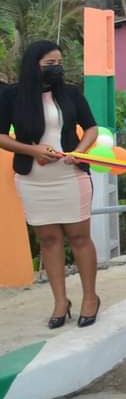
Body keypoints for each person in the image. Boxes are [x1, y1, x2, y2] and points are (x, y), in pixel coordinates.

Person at [0, 40, 101, 328]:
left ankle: (90, 297)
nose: (56, 68)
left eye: (59, 63)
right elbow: (2, 136)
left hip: (71, 176)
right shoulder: (11, 95)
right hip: (33, 179)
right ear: (34, 65)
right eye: (49, 64)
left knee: (80, 238)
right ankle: (60, 301)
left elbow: (91, 127)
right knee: (48, 240)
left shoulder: (71, 92)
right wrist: (32, 150)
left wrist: (79, 151)